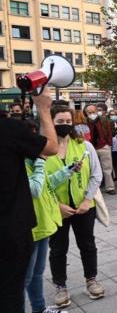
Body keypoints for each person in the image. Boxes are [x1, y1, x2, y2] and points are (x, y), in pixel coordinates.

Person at [0, 87, 57, 312]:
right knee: (11, 293)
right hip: (11, 231)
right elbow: (50, 147)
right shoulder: (7, 129)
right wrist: (43, 109)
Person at [45, 105, 104, 308]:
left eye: (68, 122)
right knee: (58, 249)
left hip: (83, 206)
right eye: (59, 122)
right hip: (56, 209)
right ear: (51, 122)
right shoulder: (43, 150)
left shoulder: (84, 146)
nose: (64, 125)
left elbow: (97, 174)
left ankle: (91, 280)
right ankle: (60, 286)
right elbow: (41, 182)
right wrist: (57, 205)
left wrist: (87, 200)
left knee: (87, 244)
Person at [23, 120, 68, 313]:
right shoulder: (19, 164)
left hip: (43, 225)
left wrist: (67, 171)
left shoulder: (32, 162)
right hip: (29, 229)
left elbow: (46, 185)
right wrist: (41, 162)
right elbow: (34, 189)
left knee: (37, 274)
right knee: (23, 278)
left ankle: (39, 308)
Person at [84, 104, 115, 195]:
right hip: (90, 148)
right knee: (92, 169)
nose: (91, 114)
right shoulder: (85, 122)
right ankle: (93, 188)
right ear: (86, 113)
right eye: (89, 112)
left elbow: (109, 132)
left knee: (107, 168)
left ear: (97, 111)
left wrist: (108, 144)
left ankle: (110, 187)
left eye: (93, 112)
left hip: (103, 146)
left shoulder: (104, 120)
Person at [108, 110, 117, 183]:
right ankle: (116, 175)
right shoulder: (108, 123)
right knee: (114, 162)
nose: (112, 116)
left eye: (114, 114)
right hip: (112, 146)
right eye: (111, 114)